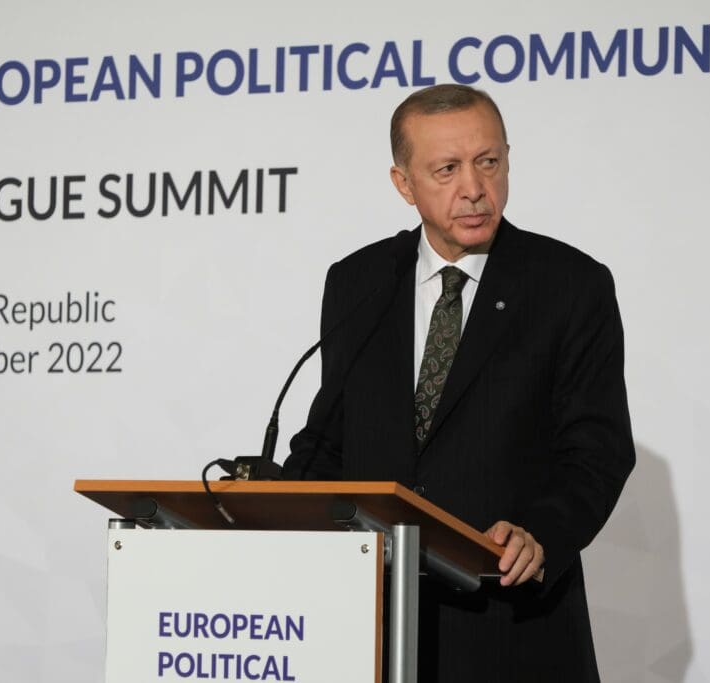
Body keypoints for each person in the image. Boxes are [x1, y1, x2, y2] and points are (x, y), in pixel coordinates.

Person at [283, 84, 634, 682]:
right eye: (446, 169)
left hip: (511, 626)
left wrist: (540, 534)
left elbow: (597, 451)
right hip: (373, 629)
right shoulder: (359, 282)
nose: (474, 188)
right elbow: (332, 439)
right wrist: (267, 511)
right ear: (403, 184)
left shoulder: (569, 285)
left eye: (489, 162)